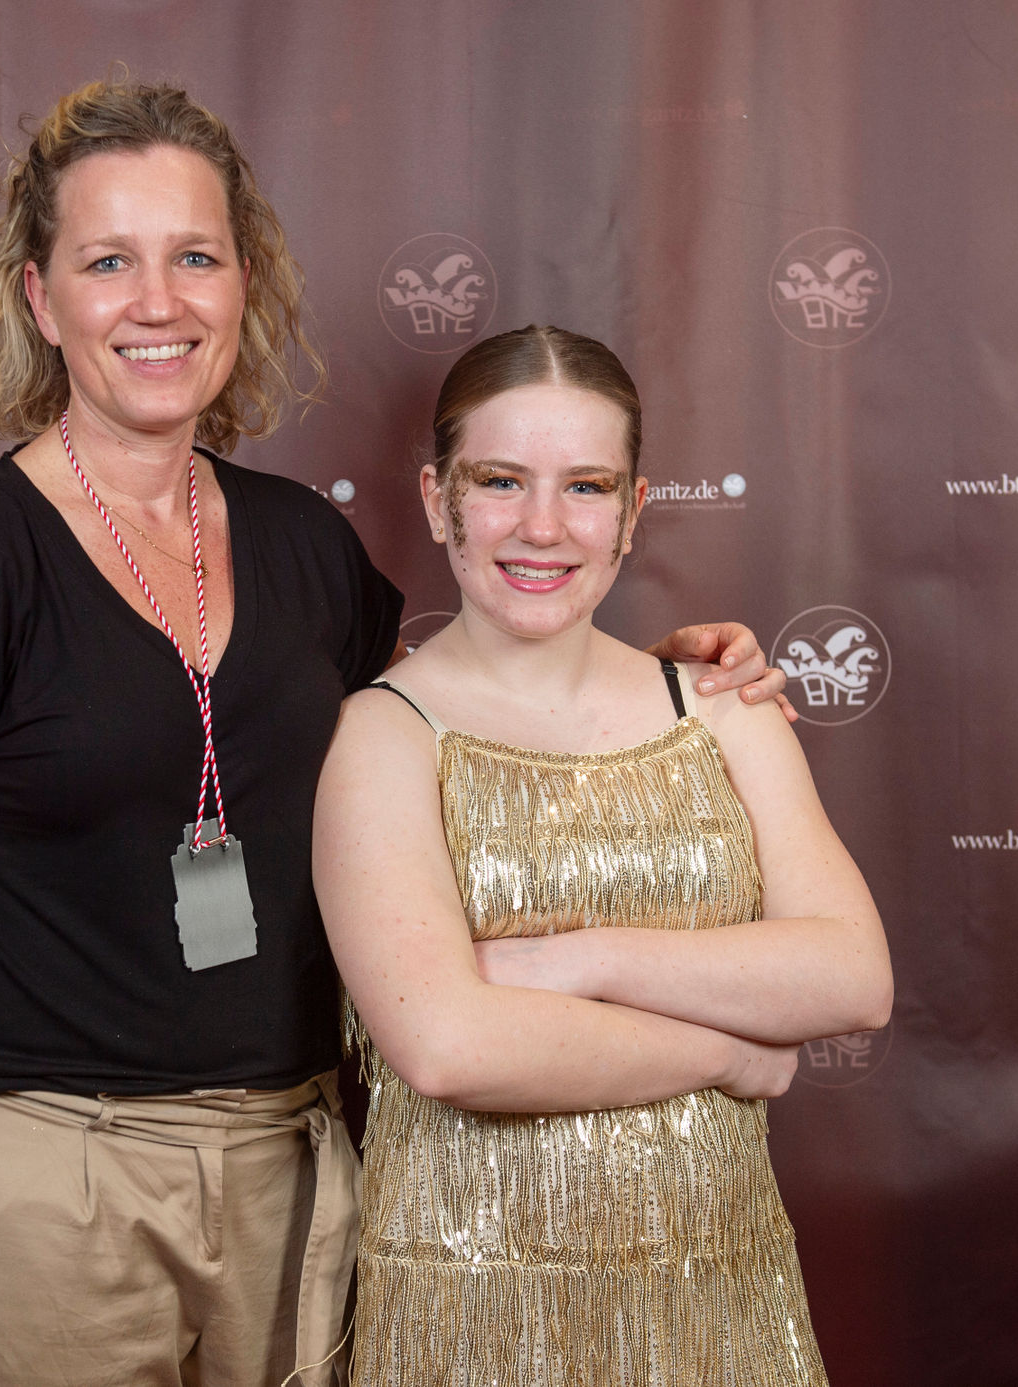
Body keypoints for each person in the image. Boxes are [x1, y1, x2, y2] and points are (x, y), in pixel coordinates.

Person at [0, 81, 790, 1387]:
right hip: (32, 1185)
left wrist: (651, 682)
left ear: (246, 284)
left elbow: (449, 748)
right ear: (39, 299)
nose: (159, 301)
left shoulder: (304, 546)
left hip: (292, 1170)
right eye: (108, 262)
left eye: (196, 257)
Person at [314, 325, 892, 1386]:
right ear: (439, 499)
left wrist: (570, 959)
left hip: (719, 1303)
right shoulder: (382, 735)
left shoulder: (718, 704)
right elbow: (449, 1048)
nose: (543, 526)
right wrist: (728, 1054)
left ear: (632, 512)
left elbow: (852, 975)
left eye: (586, 486)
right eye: (501, 481)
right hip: (471, 1315)